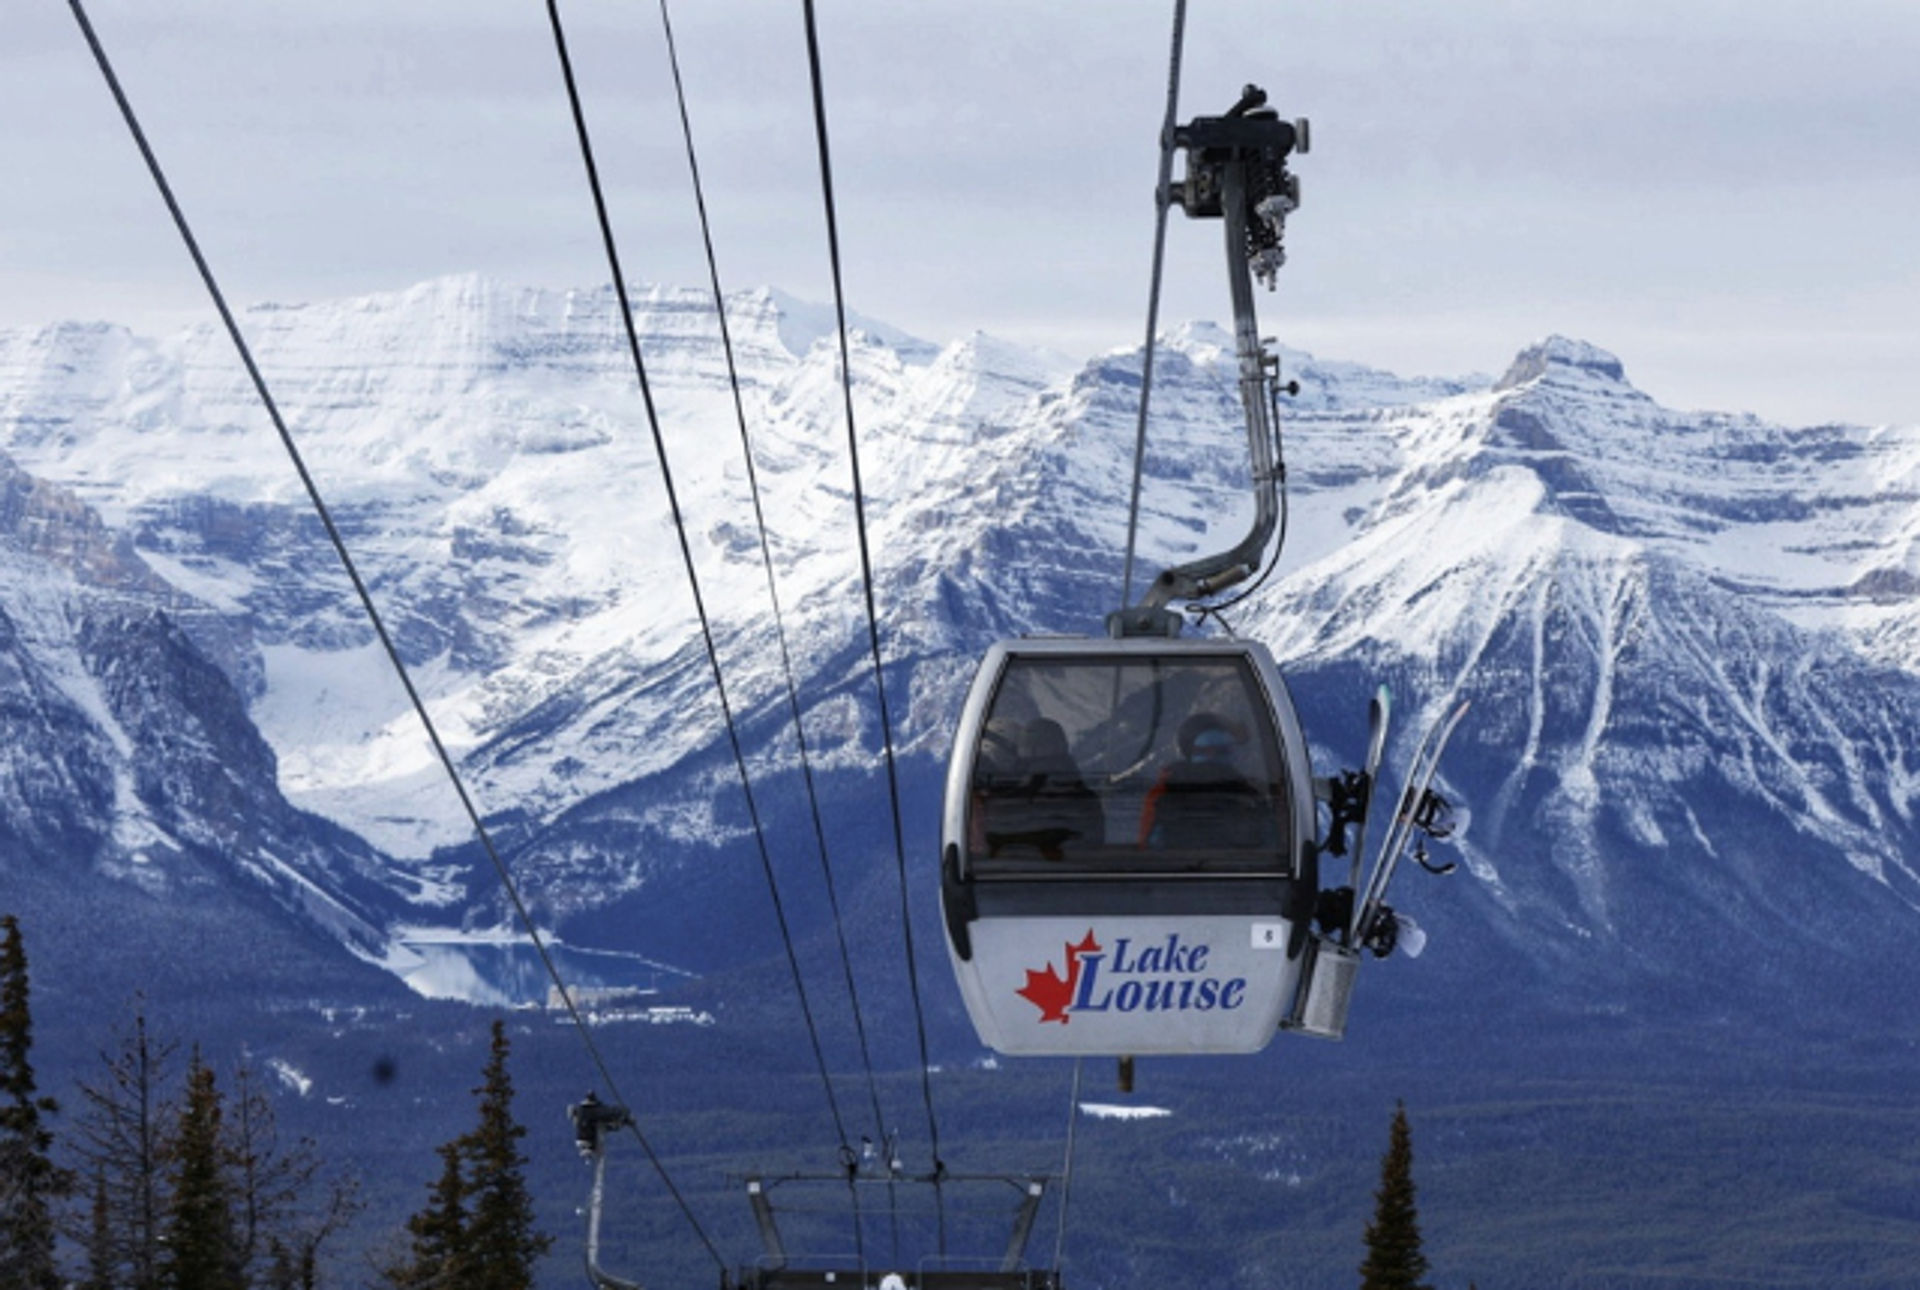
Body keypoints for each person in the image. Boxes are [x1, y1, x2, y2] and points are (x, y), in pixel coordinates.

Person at [1138, 712, 1275, 852]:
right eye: (1207, 751)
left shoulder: (1164, 790)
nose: (1213, 757)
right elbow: (1272, 846)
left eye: (1223, 750)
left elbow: (1147, 848)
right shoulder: (1250, 796)